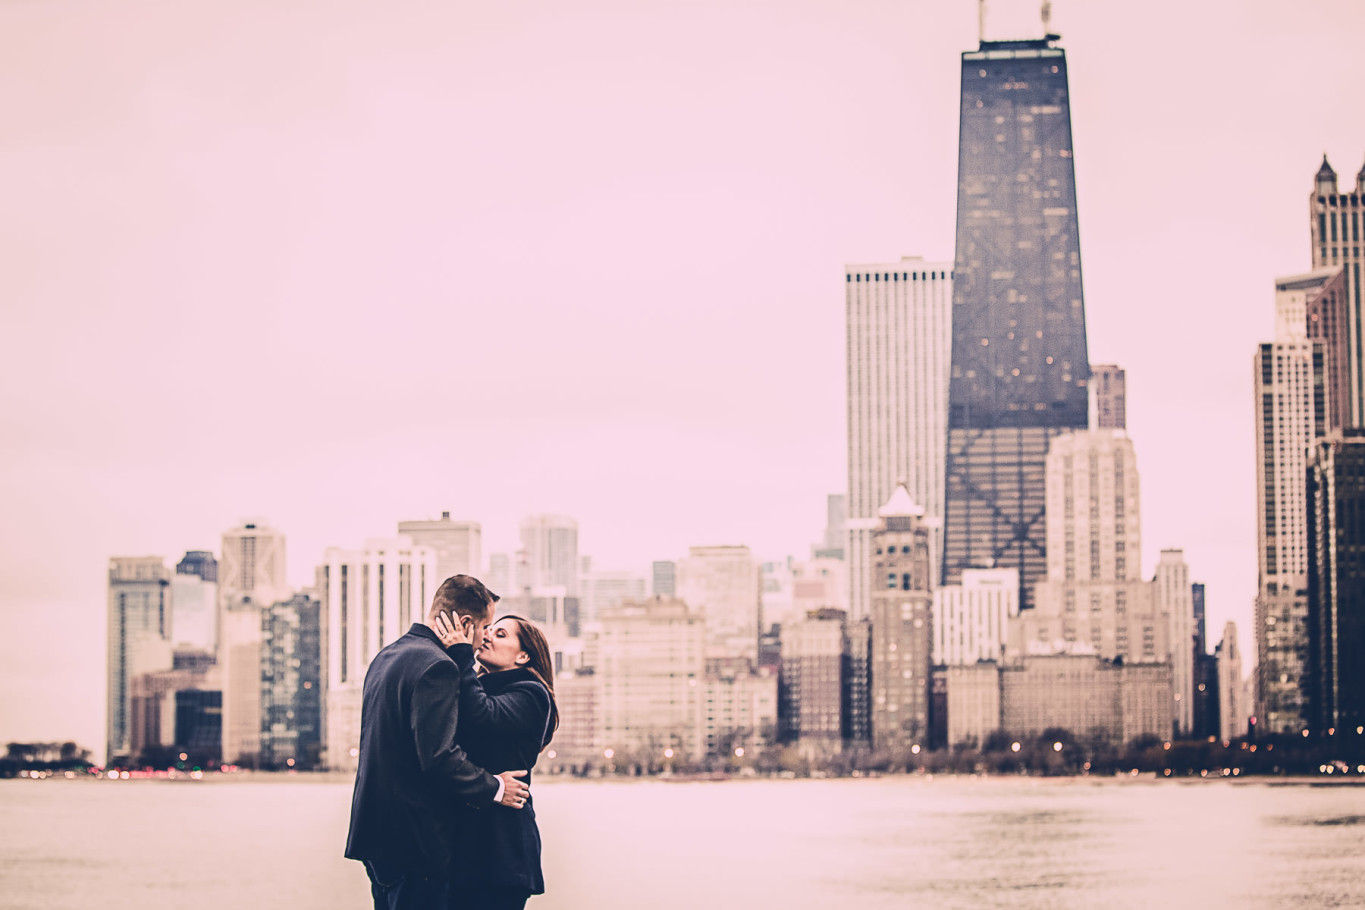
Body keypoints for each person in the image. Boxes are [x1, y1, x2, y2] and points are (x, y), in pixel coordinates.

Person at [345, 575, 531, 910]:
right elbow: (439, 756)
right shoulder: (439, 667)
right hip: (416, 842)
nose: (483, 640)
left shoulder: (387, 656)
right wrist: (496, 788)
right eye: (485, 627)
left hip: (374, 834)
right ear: (465, 623)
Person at [434, 611, 559, 910]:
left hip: (501, 851)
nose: (487, 634)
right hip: (467, 847)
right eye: (489, 629)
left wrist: (462, 652)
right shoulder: (476, 684)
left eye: (501, 634)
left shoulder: (532, 693)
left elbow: (482, 715)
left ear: (523, 656)